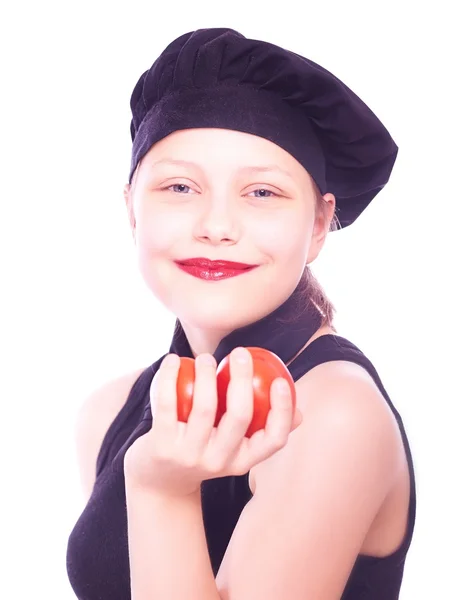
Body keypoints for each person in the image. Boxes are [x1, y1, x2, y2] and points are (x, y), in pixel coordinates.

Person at [66, 28, 416, 599]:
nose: (217, 225)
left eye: (262, 193)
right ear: (131, 208)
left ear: (320, 224)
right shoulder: (108, 414)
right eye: (180, 187)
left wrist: (162, 490)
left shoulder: (333, 414)